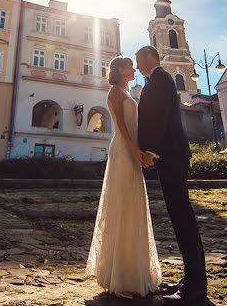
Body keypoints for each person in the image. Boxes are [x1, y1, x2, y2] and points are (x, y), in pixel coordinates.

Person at [135, 45, 208, 304]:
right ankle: (192, 280)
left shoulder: (160, 78)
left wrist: (150, 150)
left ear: (148, 57)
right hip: (172, 156)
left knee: (183, 219)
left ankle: (194, 289)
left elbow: (158, 118)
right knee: (182, 218)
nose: (136, 64)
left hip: (171, 155)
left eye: (138, 59)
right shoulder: (157, 80)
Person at [85, 56, 162, 298]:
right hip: (123, 149)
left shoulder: (128, 93)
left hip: (132, 149)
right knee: (122, 205)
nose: (133, 69)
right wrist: (134, 150)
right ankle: (119, 278)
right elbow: (121, 126)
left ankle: (131, 271)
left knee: (133, 205)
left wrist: (142, 149)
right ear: (120, 69)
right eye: (130, 65)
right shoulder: (114, 92)